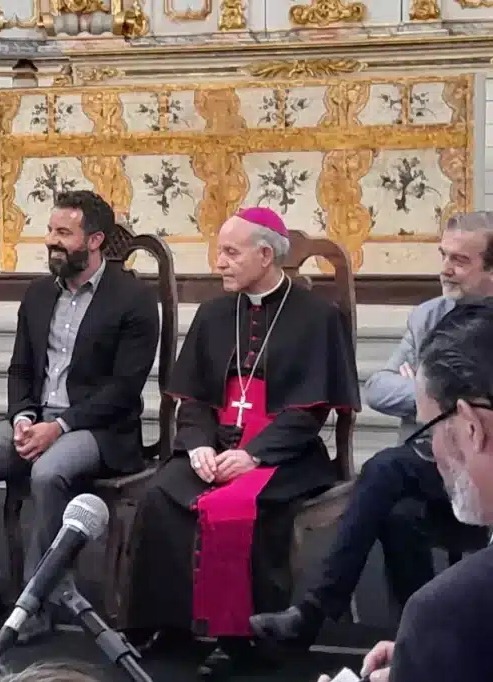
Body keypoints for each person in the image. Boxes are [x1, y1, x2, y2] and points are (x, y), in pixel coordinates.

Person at [123, 207, 361, 679]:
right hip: (216, 443)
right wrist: (197, 446)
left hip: (285, 452)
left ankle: (245, 636)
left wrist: (253, 455)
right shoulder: (214, 314)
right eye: (220, 251)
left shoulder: (316, 317)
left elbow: (309, 412)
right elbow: (193, 400)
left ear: (265, 254)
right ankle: (171, 624)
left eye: (231, 253)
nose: (220, 262)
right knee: (161, 496)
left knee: (249, 509)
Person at [251, 211, 493, 650]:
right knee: (400, 515)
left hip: (479, 462)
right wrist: (434, 399)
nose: (445, 268)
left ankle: (315, 609)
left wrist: (433, 393)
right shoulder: (428, 316)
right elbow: (379, 388)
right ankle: (416, 639)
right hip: (429, 461)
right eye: (444, 255)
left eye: (460, 260)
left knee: (383, 469)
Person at [0, 190, 160, 640]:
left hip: (98, 428)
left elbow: (124, 390)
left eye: (63, 233)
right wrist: (22, 417)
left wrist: (58, 427)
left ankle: (37, 600)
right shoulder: (40, 294)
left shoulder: (133, 299)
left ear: (94, 240)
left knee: (47, 472)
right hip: (37, 418)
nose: (50, 241)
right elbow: (21, 368)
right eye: (50, 230)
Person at [318, 298, 493, 682]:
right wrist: (428, 655)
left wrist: (432, 642)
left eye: (429, 429)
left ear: (470, 428)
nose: (431, 448)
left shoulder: (451, 609)